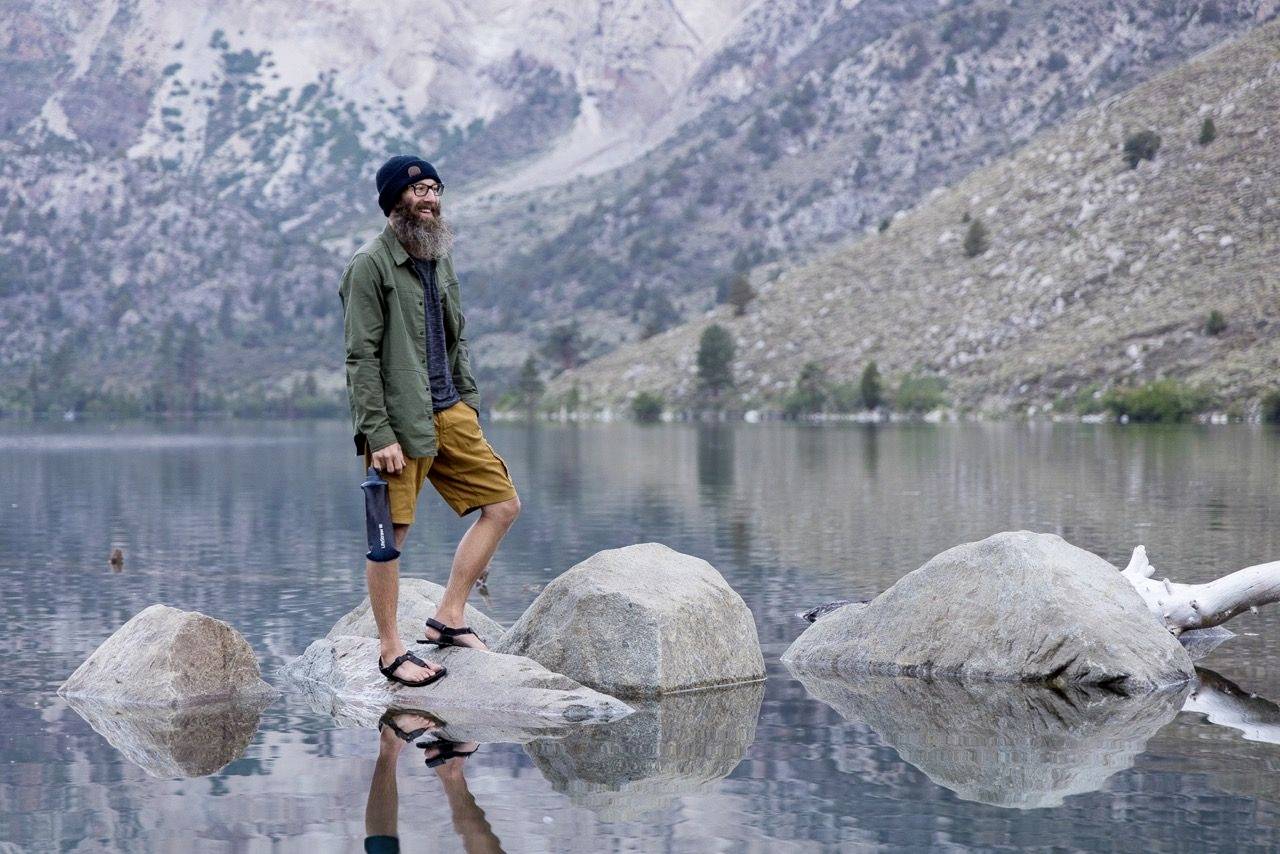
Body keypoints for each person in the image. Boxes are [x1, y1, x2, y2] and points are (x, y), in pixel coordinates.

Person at [340, 155, 521, 687]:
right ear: (395, 200)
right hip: (399, 426)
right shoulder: (369, 265)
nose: (430, 197)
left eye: (435, 188)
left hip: (451, 413)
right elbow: (360, 358)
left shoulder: (439, 257)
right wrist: (378, 434)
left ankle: (449, 616)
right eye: (418, 189)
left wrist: (467, 401)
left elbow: (455, 336)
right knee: (388, 536)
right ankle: (391, 649)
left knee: (503, 505)